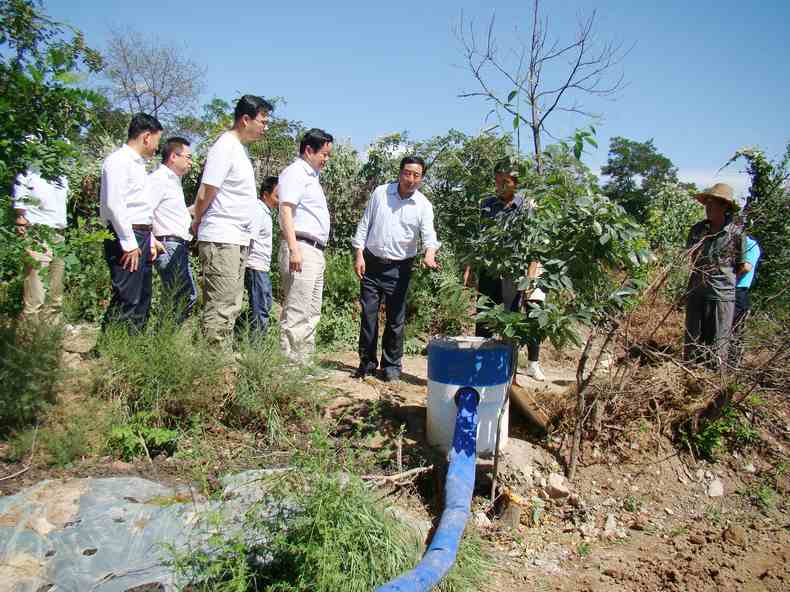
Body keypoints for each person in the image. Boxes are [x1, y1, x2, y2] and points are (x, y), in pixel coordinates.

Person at [191, 95, 273, 346]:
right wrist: (196, 221)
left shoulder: (239, 151)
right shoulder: (225, 146)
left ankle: (219, 365)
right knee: (221, 305)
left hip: (236, 239)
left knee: (232, 304)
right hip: (221, 237)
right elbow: (206, 191)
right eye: (262, 121)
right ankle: (213, 369)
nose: (265, 127)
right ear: (245, 119)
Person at [351, 156, 440, 381]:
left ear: (422, 178)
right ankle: (367, 364)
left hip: (400, 269)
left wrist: (430, 254)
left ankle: (391, 366)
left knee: (395, 320)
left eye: (416, 175)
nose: (411, 179)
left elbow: (429, 236)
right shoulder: (380, 193)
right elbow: (365, 224)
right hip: (371, 264)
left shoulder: (423, 205)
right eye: (407, 173)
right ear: (400, 172)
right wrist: (358, 254)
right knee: (369, 316)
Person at [464, 157, 546, 381]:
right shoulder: (487, 205)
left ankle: (509, 372)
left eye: (505, 182)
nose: (500, 186)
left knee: (511, 319)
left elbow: (534, 244)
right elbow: (478, 239)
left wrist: (530, 277)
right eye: (497, 181)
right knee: (484, 318)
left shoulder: (527, 207)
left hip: (515, 273)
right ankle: (480, 366)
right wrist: (470, 268)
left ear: (516, 183)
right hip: (490, 271)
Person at [100, 112, 163, 331]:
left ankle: (132, 348)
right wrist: (128, 243)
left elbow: (141, 208)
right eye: (157, 140)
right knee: (127, 296)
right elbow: (114, 205)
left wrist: (151, 239)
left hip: (142, 236)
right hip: (126, 236)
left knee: (142, 297)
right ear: (147, 137)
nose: (157, 147)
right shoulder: (118, 161)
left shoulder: (139, 166)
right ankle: (109, 351)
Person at [278, 128, 333, 364]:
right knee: (296, 311)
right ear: (309, 150)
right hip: (301, 246)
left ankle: (304, 363)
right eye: (324, 154)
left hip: (315, 251)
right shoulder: (295, 173)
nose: (326, 160)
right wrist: (294, 249)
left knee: (312, 313)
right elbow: (285, 210)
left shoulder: (312, 178)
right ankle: (289, 368)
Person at [684, 183, 748, 368]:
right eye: (707, 204)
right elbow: (692, 258)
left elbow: (741, 266)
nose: (708, 208)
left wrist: (720, 278)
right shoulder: (698, 230)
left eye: (713, 204)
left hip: (722, 295)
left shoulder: (736, 234)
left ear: (724, 206)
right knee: (692, 341)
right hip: (696, 291)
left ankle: (713, 381)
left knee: (718, 343)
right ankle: (688, 377)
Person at [146, 136, 196, 323]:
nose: (190, 162)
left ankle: (165, 337)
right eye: (188, 157)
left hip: (179, 245)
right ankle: (164, 338)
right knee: (182, 295)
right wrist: (151, 239)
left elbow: (177, 214)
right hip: (168, 245)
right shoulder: (159, 179)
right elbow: (144, 211)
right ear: (174, 156)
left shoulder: (174, 182)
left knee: (180, 295)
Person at [12, 169, 68, 323]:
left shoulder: (61, 174)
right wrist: (20, 218)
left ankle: (50, 340)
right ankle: (28, 342)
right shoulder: (28, 172)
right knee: (35, 297)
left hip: (59, 235)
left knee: (56, 296)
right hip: (37, 233)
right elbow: (19, 203)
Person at [242, 176, 279, 338]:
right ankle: (257, 349)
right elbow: (249, 238)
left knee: (264, 305)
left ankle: (255, 343)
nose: (280, 200)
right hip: (255, 266)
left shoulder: (266, 213)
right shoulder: (258, 210)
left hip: (262, 267)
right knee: (260, 307)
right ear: (265, 194)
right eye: (277, 195)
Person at [730, 235, 761, 364]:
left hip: (738, 291)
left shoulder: (751, 245)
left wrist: (728, 279)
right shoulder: (727, 241)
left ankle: (733, 363)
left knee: (734, 330)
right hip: (725, 291)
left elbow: (746, 267)